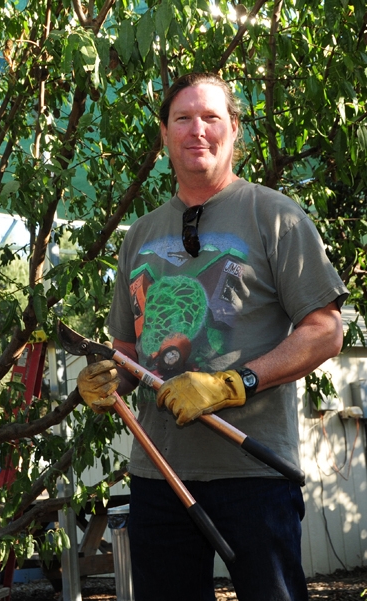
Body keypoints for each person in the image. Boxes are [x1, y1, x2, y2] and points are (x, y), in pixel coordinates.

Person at [77, 72, 348, 601]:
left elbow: (324, 331)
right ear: (164, 136)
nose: (196, 130)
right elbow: (131, 351)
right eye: (183, 118)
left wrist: (232, 384)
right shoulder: (141, 235)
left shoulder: (276, 216)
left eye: (210, 117)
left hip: (253, 473)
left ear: (233, 132)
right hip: (158, 475)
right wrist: (109, 379)